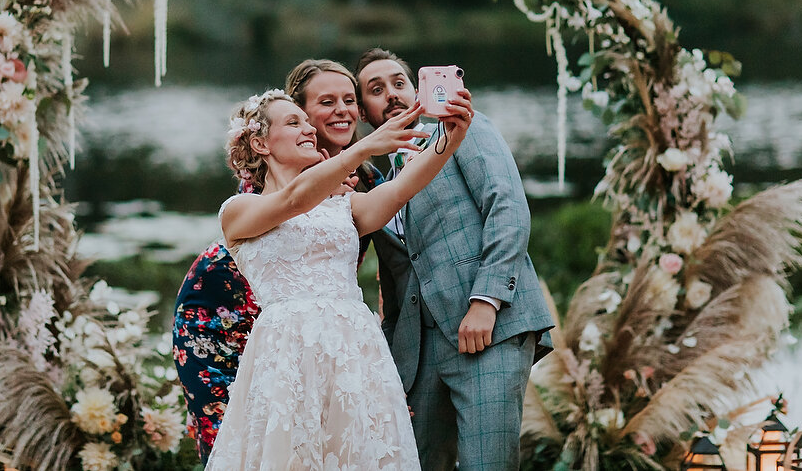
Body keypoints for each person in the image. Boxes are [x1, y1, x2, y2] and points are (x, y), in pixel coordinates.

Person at [205, 87, 472, 469]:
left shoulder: (342, 205)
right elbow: (293, 201)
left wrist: (450, 137)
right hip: (288, 353)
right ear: (261, 143)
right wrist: (362, 149)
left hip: (354, 349)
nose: (310, 129)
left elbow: (398, 191)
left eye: (306, 122)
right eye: (294, 122)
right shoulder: (240, 210)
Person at [354, 47, 554, 471]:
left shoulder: (462, 130)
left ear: (418, 91)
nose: (390, 93)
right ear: (364, 113)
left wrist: (486, 301)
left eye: (398, 83)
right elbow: (396, 279)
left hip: (489, 331)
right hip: (420, 354)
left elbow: (509, 209)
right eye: (376, 89)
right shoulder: (379, 190)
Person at [172, 59, 367, 463]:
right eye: (326, 102)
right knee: (244, 444)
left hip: (304, 330)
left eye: (350, 100)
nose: (341, 111)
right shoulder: (273, 170)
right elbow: (288, 207)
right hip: (223, 312)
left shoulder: (364, 177)